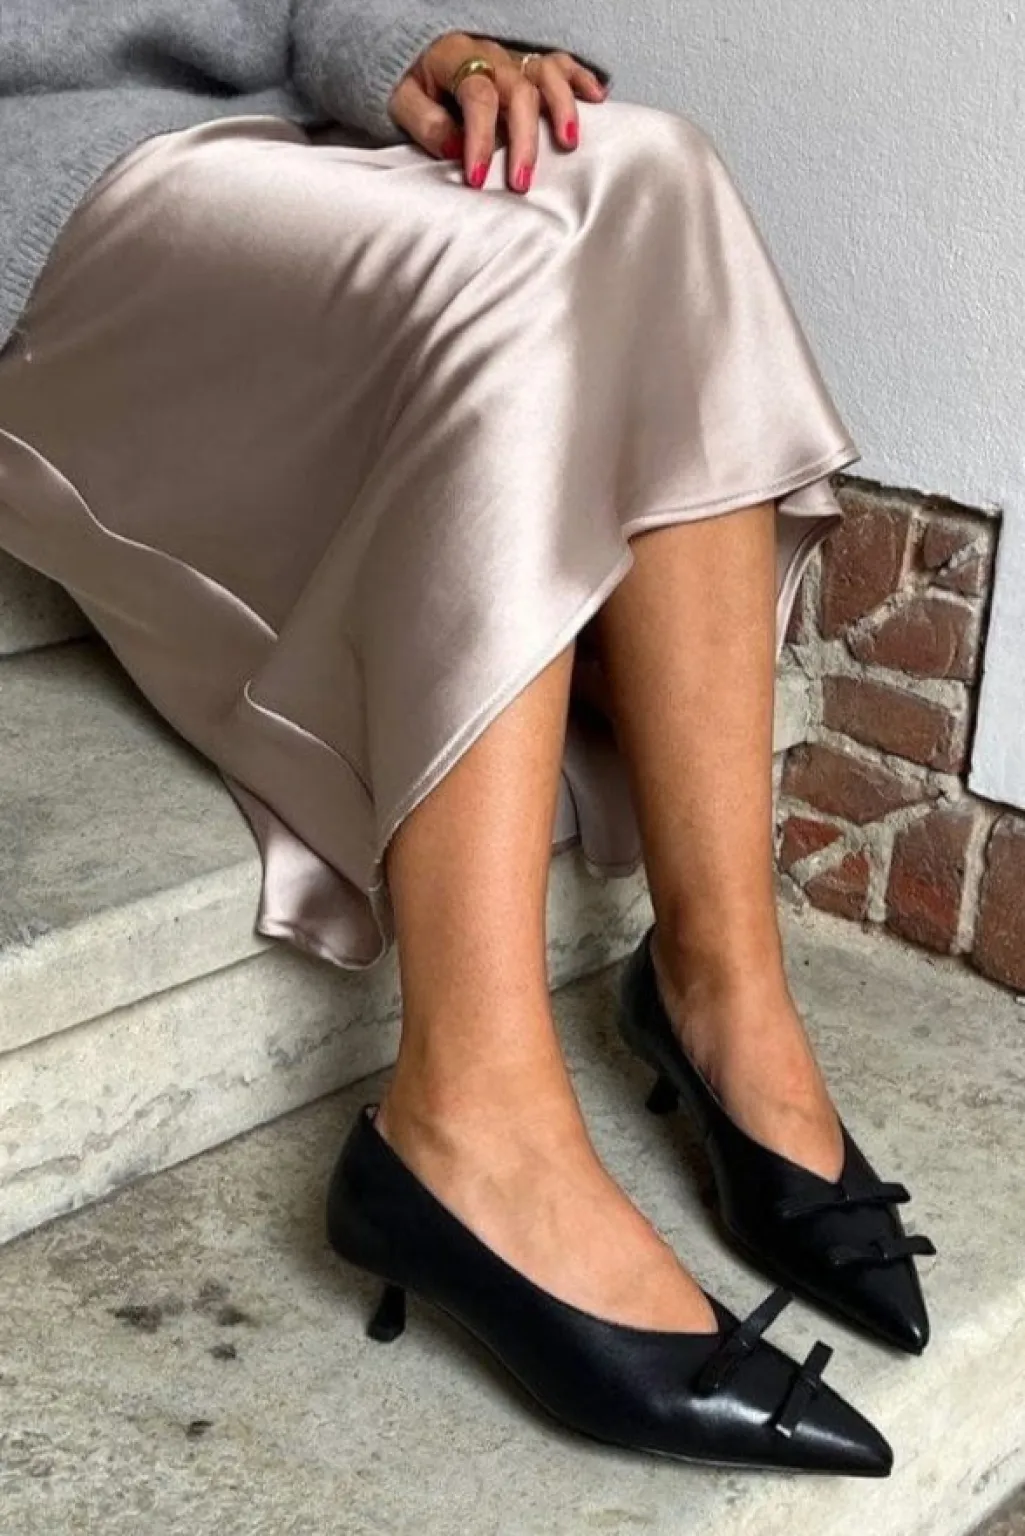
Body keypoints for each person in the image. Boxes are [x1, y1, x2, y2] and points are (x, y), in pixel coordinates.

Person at [0, 1, 933, 1477]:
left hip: (275, 142)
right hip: (43, 200)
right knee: (506, 278)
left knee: (656, 172)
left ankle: (721, 989)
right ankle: (469, 1117)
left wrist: (407, 44)